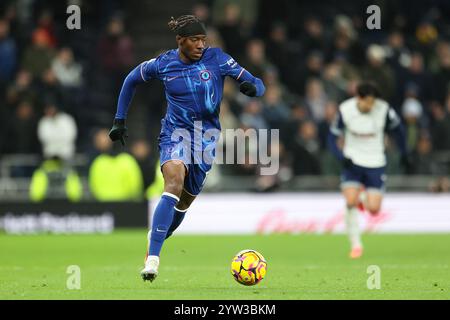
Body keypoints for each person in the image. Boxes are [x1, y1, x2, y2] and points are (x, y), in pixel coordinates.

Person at [108, 15, 265, 281]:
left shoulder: (218, 59)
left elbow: (257, 83)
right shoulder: (164, 63)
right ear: (180, 41)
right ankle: (153, 260)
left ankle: (157, 235)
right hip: (175, 134)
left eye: (203, 39)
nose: (201, 44)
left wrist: (252, 88)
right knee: (173, 182)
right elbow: (131, 79)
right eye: (195, 40)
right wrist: (119, 119)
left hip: (206, 140)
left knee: (184, 203)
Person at [328, 82, 407, 259]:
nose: (371, 106)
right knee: (349, 201)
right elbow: (332, 136)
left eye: (373, 102)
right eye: (368, 102)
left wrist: (404, 153)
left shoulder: (384, 109)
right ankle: (356, 245)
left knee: (373, 209)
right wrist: (341, 157)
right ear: (359, 98)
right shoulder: (345, 110)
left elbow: (399, 130)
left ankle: (362, 197)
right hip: (353, 161)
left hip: (375, 162)